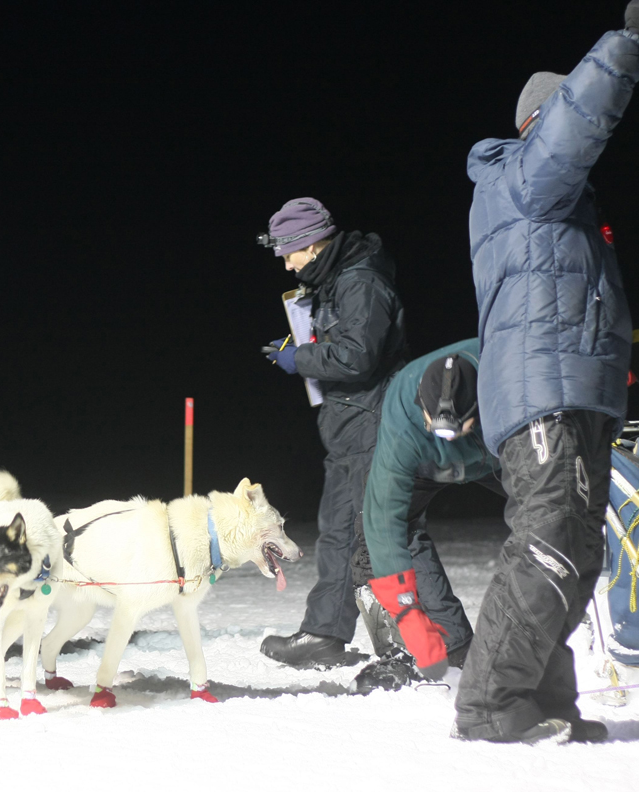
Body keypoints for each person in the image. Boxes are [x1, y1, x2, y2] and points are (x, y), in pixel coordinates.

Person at [454, 4, 639, 744]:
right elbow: (575, 125)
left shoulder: (560, 206)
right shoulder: (519, 178)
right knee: (549, 540)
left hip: (577, 394)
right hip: (543, 394)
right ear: (543, 119)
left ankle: (545, 698)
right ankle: (490, 702)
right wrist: (625, 47)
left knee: (580, 550)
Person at [257, 198, 408, 667]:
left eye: (290, 252)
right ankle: (324, 632)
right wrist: (303, 346)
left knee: (374, 538)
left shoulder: (360, 280)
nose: (286, 263)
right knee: (338, 533)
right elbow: (341, 346)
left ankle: (408, 649)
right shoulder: (333, 282)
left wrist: (298, 360)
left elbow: (357, 357)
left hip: (371, 420)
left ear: (313, 243)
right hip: (346, 422)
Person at [351, 340, 505, 694]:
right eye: (433, 425)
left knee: (559, 510)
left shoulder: (510, 374)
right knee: (374, 528)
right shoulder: (404, 412)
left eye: (454, 430)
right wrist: (409, 616)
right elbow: (384, 517)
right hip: (425, 462)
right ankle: (446, 648)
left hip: (497, 451)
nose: (445, 440)